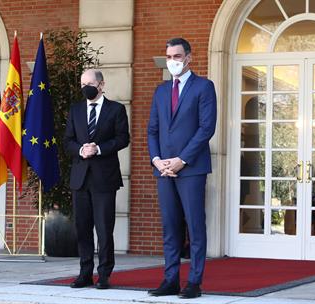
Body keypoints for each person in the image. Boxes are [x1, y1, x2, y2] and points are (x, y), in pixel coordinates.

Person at [147, 38, 217, 299]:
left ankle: (194, 282)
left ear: (188, 57)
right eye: (168, 56)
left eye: (177, 56)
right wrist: (157, 160)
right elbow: (152, 129)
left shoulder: (204, 87)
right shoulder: (161, 90)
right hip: (163, 169)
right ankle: (170, 280)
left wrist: (181, 159)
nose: (172, 61)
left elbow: (206, 129)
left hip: (191, 168)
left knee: (195, 226)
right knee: (170, 226)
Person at [63, 69, 130, 289]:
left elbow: (123, 138)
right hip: (80, 178)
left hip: (104, 178)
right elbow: (68, 141)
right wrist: (81, 149)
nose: (86, 88)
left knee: (103, 229)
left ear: (101, 85)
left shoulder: (116, 109)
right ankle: (84, 273)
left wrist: (99, 148)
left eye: (89, 83)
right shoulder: (75, 110)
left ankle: (104, 275)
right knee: (82, 228)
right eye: (82, 84)